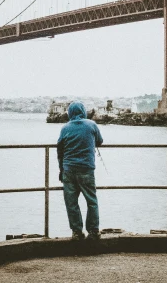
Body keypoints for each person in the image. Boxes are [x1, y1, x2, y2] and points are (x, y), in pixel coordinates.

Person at [57, 101, 103, 241]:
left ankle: (77, 232)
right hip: (86, 169)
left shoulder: (65, 128)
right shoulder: (91, 125)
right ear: (83, 111)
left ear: (70, 113)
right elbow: (99, 141)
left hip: (69, 170)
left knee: (71, 203)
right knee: (91, 200)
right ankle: (93, 231)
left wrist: (61, 169)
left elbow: (60, 150)